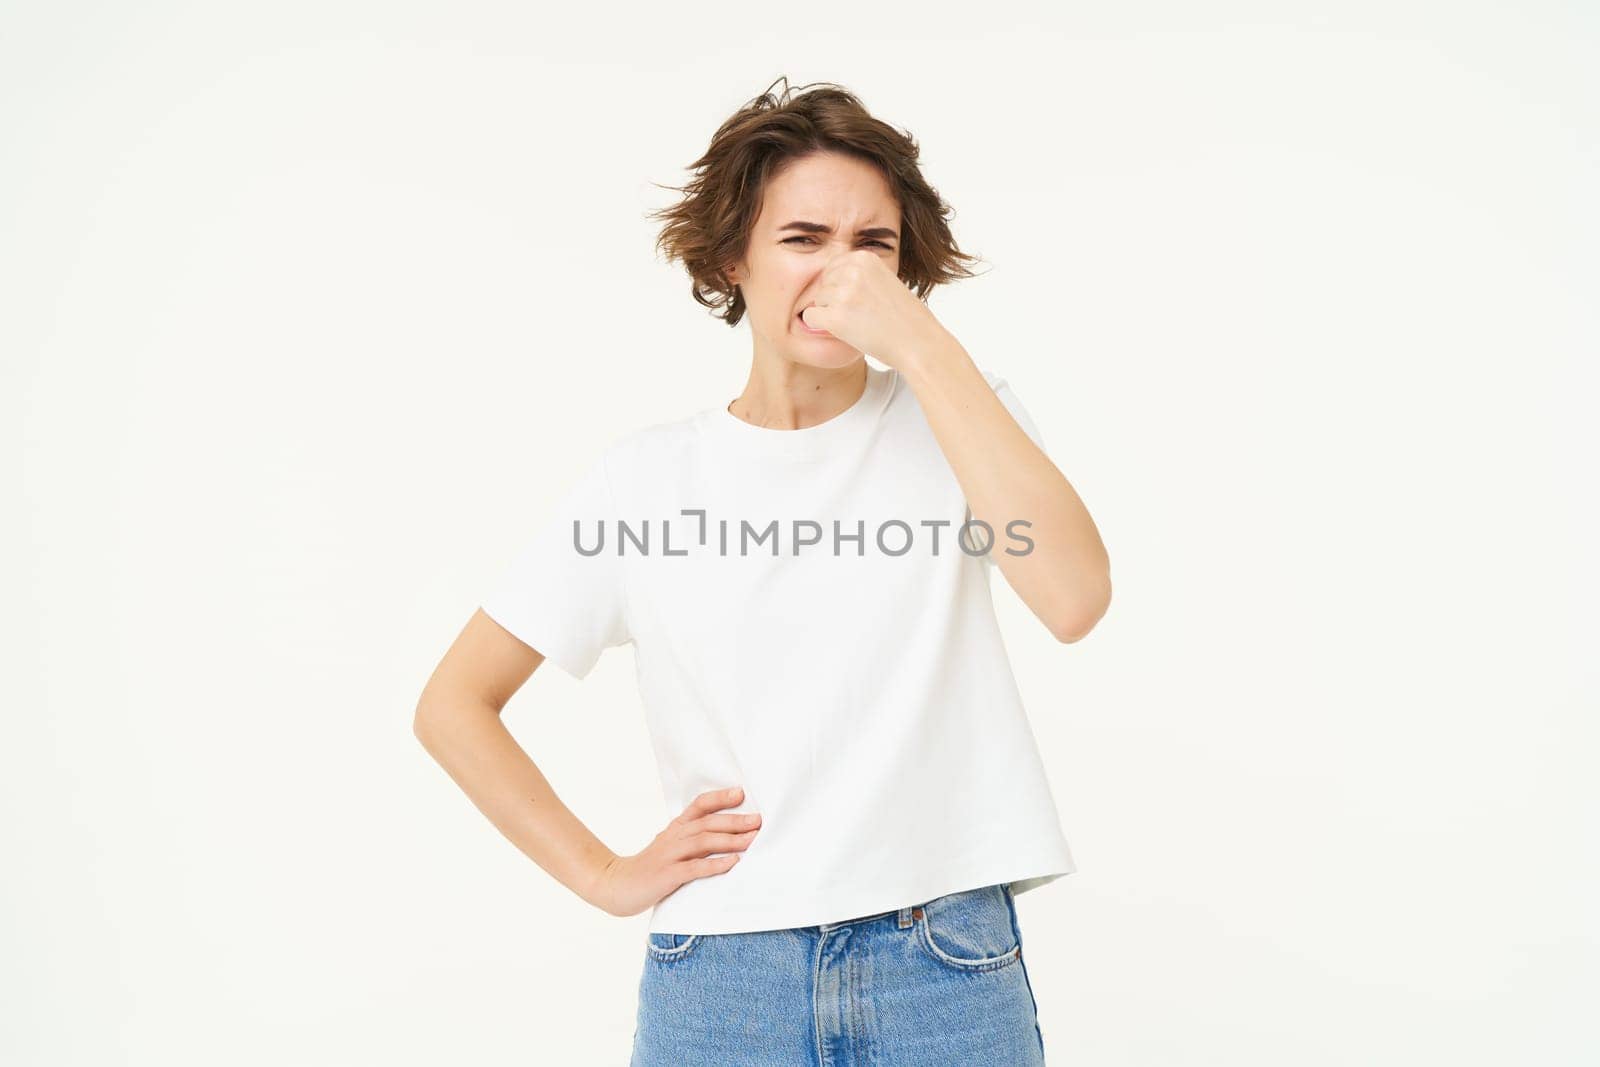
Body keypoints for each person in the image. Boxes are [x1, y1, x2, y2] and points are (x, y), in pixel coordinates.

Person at [414, 77, 1112, 1065]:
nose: (843, 273)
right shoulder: (647, 479)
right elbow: (454, 704)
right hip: (724, 976)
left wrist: (920, 344)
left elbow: (1074, 597)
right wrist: (606, 873)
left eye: (873, 244)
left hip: (945, 961)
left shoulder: (957, 413)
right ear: (733, 257)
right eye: (803, 238)